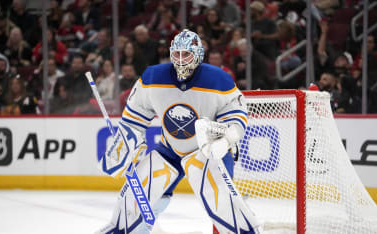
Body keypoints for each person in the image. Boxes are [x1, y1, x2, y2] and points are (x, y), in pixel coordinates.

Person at [97, 29, 261, 233]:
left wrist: (227, 138)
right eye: (177, 54)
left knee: (223, 206)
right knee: (134, 197)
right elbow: (134, 117)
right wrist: (124, 146)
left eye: (187, 55)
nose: (181, 60)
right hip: (170, 150)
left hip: (206, 151)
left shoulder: (219, 80)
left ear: (199, 55)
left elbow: (236, 113)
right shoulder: (152, 77)